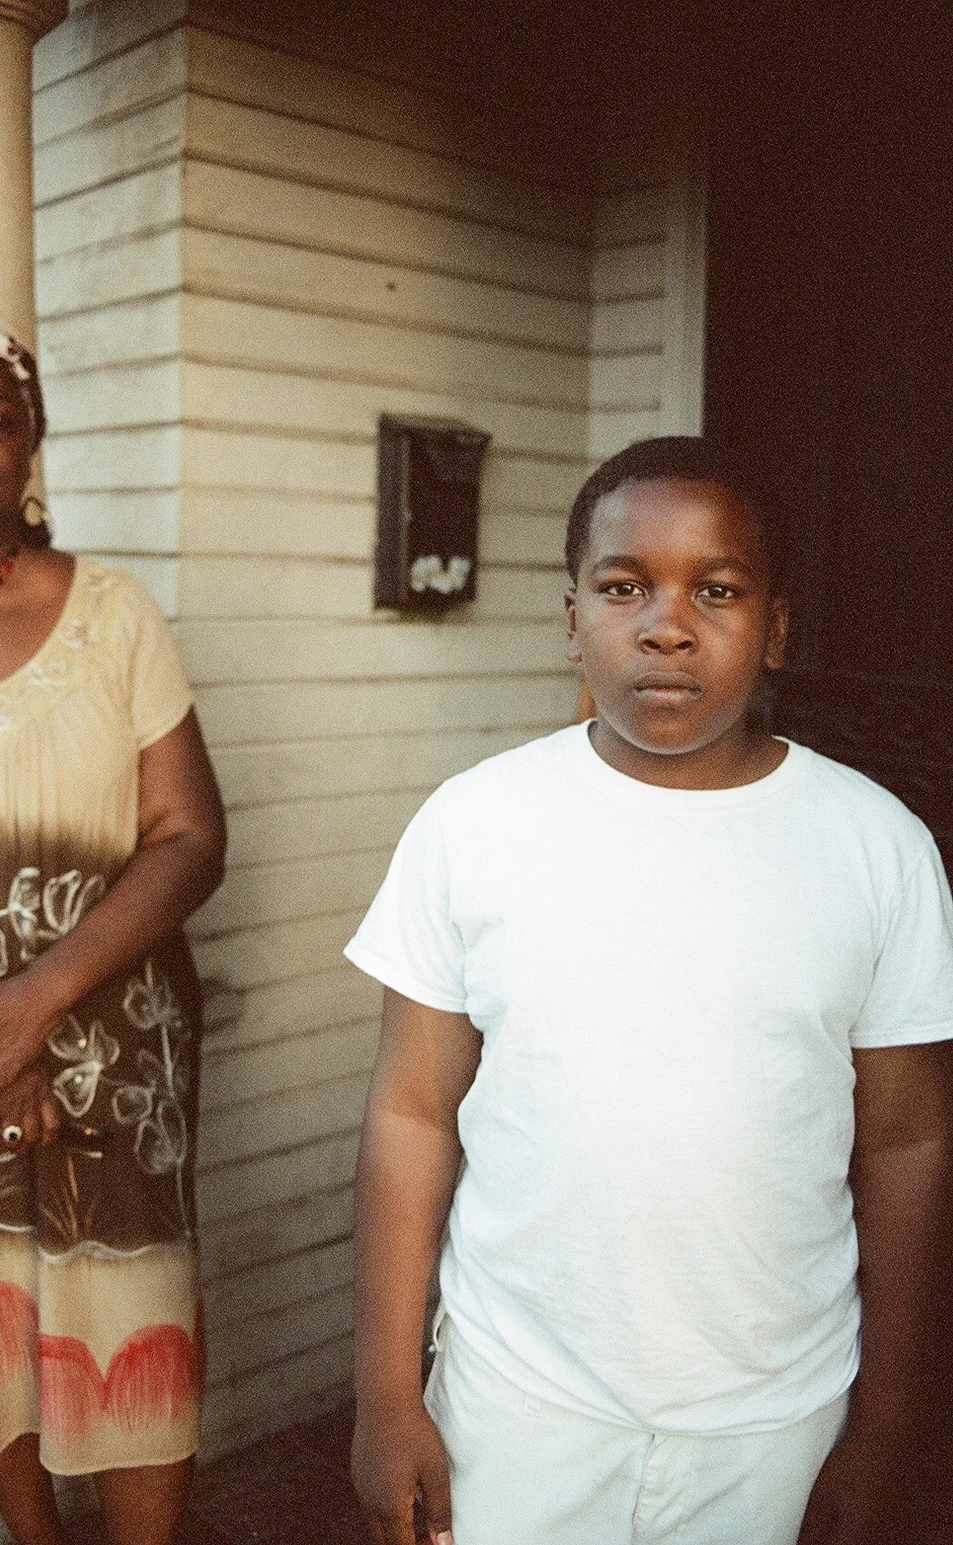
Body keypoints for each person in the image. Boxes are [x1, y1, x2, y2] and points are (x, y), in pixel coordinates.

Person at [343, 435, 953, 1545]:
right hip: (512, 1399)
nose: (666, 625)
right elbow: (410, 1111)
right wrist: (386, 1397)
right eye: (624, 587)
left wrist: (890, 1422)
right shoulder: (474, 825)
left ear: (775, 626)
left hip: (772, 1417)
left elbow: (907, 1142)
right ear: (570, 614)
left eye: (715, 590)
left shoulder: (876, 848)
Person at [0, 320, 226, 1545]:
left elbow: (189, 838)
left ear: (31, 445)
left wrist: (29, 1007)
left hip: (114, 1055)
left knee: (127, 1330)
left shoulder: (114, 615)